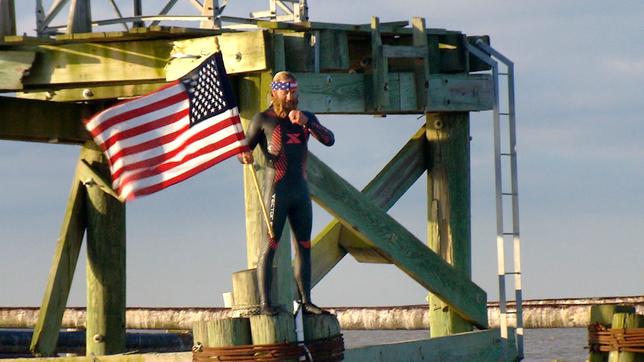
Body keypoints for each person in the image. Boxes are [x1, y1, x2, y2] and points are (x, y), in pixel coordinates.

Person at [238, 71, 335, 315]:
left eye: (293, 91)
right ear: (274, 92)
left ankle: (306, 301)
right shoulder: (263, 119)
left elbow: (329, 139)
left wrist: (307, 123)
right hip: (276, 190)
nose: (290, 96)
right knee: (270, 245)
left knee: (304, 246)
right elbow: (243, 149)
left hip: (300, 191)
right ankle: (265, 304)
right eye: (285, 91)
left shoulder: (305, 118)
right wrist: (244, 155)